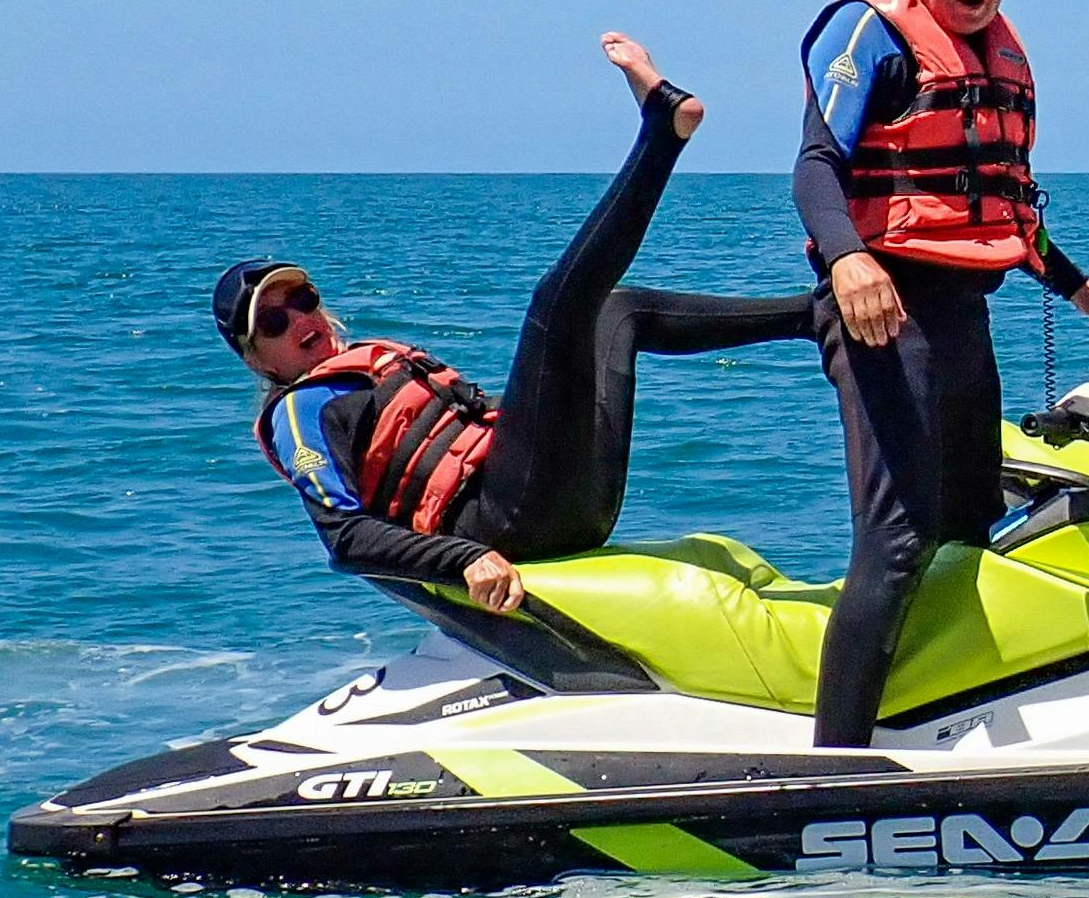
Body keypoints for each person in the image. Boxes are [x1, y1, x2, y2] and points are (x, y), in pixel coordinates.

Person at [219, 34, 816, 613]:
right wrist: (462, 558)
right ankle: (662, 134)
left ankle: (816, 315)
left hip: (570, 497)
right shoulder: (301, 413)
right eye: (272, 320)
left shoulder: (371, 365)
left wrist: (557, 387)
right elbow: (345, 539)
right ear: (256, 360)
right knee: (557, 306)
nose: (299, 316)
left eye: (302, 296)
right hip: (510, 521)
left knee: (616, 312)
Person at [798, 0, 1089, 745]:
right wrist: (849, 259)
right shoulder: (870, 36)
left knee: (966, 524)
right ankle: (830, 762)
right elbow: (814, 169)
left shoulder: (1002, 56)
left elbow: (998, 205)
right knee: (895, 541)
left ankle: (943, 715)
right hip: (885, 314)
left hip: (962, 317)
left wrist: (1076, 287)